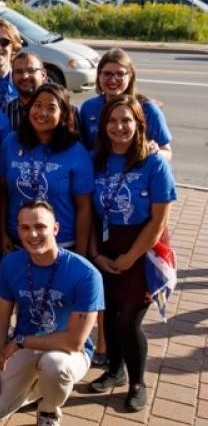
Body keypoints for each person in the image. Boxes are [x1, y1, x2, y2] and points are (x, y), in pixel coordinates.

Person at [0, 200, 104, 426]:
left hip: (66, 352)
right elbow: (1, 319)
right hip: (25, 347)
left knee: (55, 366)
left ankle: (49, 410)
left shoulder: (86, 274)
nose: (32, 234)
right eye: (25, 228)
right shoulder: (12, 263)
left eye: (40, 226)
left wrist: (21, 342)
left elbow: (74, 341)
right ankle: (36, 388)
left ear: (55, 229)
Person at [86, 95, 176, 412]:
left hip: (143, 247)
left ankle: (138, 382)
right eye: (112, 120)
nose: (119, 127)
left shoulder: (153, 163)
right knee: (108, 315)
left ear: (139, 124)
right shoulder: (95, 159)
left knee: (128, 320)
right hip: (106, 244)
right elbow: (90, 213)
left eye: (126, 120)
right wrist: (96, 253)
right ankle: (114, 370)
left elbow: (159, 219)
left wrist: (131, 257)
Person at [0, 83, 93, 257]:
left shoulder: (76, 151)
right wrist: (2, 233)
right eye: (37, 105)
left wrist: (80, 253)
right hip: (15, 242)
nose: (42, 113)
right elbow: (2, 193)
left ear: (63, 114)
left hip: (61, 246)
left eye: (51, 108)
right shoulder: (10, 143)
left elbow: (84, 208)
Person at [79, 48, 172, 160]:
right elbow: (84, 149)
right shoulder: (88, 108)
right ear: (99, 76)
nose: (113, 80)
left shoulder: (149, 110)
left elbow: (167, 152)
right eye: (107, 74)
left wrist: (154, 152)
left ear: (131, 75)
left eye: (120, 74)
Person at [6, 52, 47, 131]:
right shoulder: (4, 114)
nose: (25, 76)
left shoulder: (64, 110)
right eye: (19, 72)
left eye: (31, 70)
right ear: (12, 77)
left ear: (43, 74)